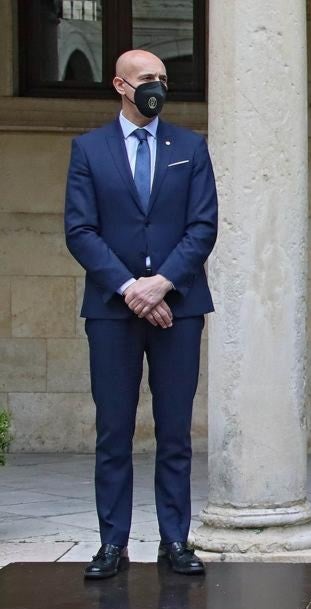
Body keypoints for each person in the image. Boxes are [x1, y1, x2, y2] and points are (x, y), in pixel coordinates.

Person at [64, 49, 217, 579]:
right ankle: (113, 544)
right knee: (114, 431)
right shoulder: (89, 150)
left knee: (175, 431)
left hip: (180, 307)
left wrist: (162, 284)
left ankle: (175, 540)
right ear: (120, 85)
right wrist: (131, 288)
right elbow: (80, 231)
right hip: (112, 311)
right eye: (147, 79)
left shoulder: (190, 148)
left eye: (163, 79)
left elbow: (203, 227)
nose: (157, 86)